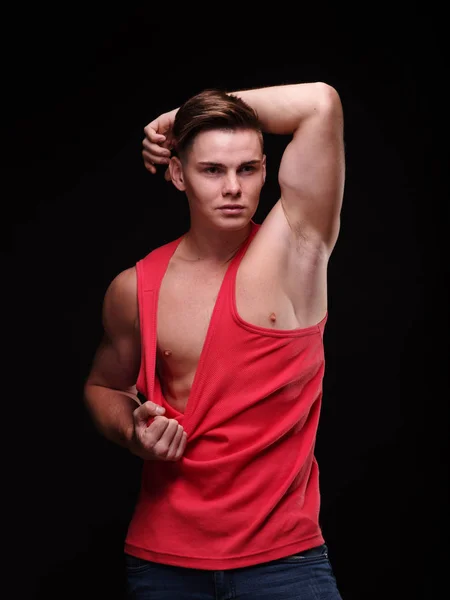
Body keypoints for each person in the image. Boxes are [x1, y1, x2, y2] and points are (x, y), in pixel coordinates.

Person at [83, 81, 345, 599]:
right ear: (178, 173)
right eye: (212, 169)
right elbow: (103, 387)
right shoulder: (135, 287)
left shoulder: (298, 251)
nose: (232, 188)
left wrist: (175, 115)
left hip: (285, 563)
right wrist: (133, 435)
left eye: (247, 169)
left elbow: (320, 103)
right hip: (163, 564)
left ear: (266, 171)